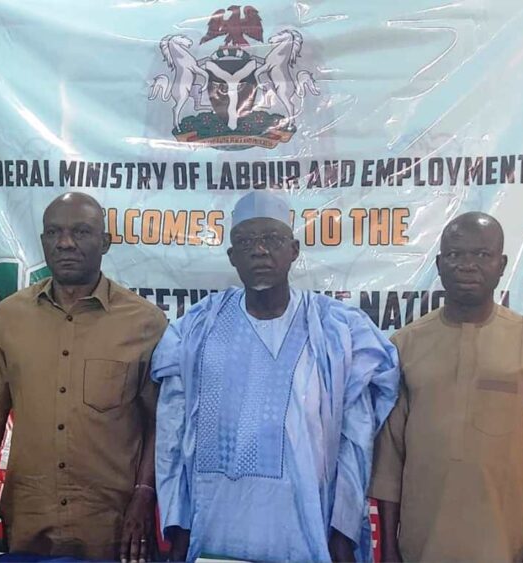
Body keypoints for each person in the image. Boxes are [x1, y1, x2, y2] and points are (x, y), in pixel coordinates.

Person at [152, 191, 400, 562]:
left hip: (306, 531)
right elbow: (171, 433)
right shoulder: (198, 329)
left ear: (294, 249)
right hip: (214, 530)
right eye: (246, 242)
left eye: (271, 239)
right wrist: (178, 525)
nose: (259, 251)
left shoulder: (335, 330)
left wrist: (343, 530)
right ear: (232, 257)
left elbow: (356, 436)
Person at [0, 192, 167, 562]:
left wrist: (145, 495)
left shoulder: (145, 323)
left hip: (112, 526)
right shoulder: (10, 317)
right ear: (44, 240)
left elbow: (160, 422)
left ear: (106, 242)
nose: (65, 243)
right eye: (54, 232)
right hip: (29, 521)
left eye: (81, 232)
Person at [370, 212, 523, 562]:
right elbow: (390, 460)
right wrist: (390, 550)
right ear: (439, 264)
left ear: (502, 265)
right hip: (421, 546)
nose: (467, 265)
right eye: (455, 255)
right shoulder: (404, 345)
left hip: (507, 546)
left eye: (482, 255)